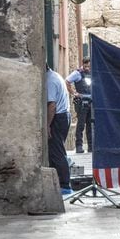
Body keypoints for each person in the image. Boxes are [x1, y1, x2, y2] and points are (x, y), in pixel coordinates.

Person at [46, 65, 72, 195]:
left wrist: (47, 125)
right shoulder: (55, 75)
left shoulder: (49, 80)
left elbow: (52, 105)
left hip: (58, 117)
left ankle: (64, 185)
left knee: (57, 152)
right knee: (57, 150)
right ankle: (60, 182)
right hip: (64, 115)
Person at [65, 58, 92, 154]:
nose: (87, 68)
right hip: (81, 103)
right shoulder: (77, 73)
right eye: (85, 66)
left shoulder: (93, 72)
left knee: (90, 125)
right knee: (80, 125)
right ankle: (79, 146)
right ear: (82, 65)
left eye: (89, 66)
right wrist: (74, 93)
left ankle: (91, 146)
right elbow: (67, 81)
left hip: (91, 102)